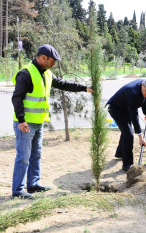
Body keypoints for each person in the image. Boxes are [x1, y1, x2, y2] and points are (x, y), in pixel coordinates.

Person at [11, 44, 92, 199]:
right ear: (43, 58)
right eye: (52, 61)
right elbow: (16, 98)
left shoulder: (46, 74)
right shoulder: (26, 74)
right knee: (23, 157)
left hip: (38, 122)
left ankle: (33, 184)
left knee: (36, 155)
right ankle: (17, 191)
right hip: (25, 124)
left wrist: (85, 88)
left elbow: (63, 84)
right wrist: (21, 120)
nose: (53, 64)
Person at [106, 78, 146, 171]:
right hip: (116, 108)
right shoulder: (133, 93)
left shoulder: (145, 86)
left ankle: (120, 152)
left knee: (126, 131)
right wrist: (140, 137)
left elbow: (144, 98)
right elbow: (134, 116)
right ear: (142, 85)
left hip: (125, 108)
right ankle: (127, 165)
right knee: (129, 134)